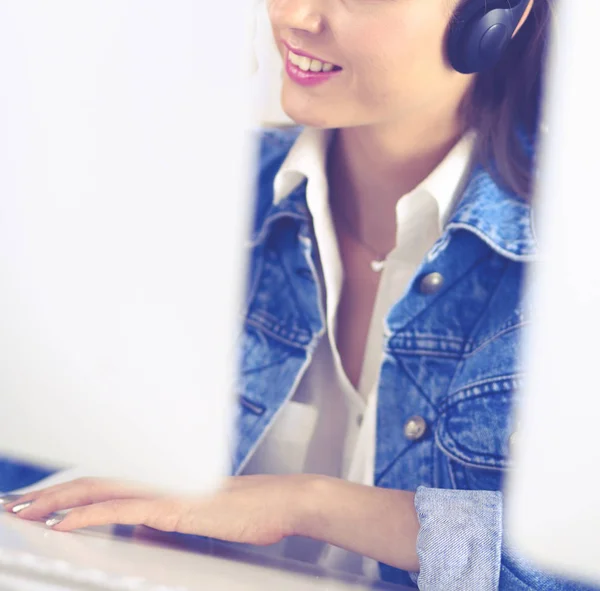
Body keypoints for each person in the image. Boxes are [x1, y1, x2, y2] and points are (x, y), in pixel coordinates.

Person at [4, 0, 596, 589]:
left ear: (498, 14)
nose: (293, 15)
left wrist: (308, 505)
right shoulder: (187, 204)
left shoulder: (576, 262)